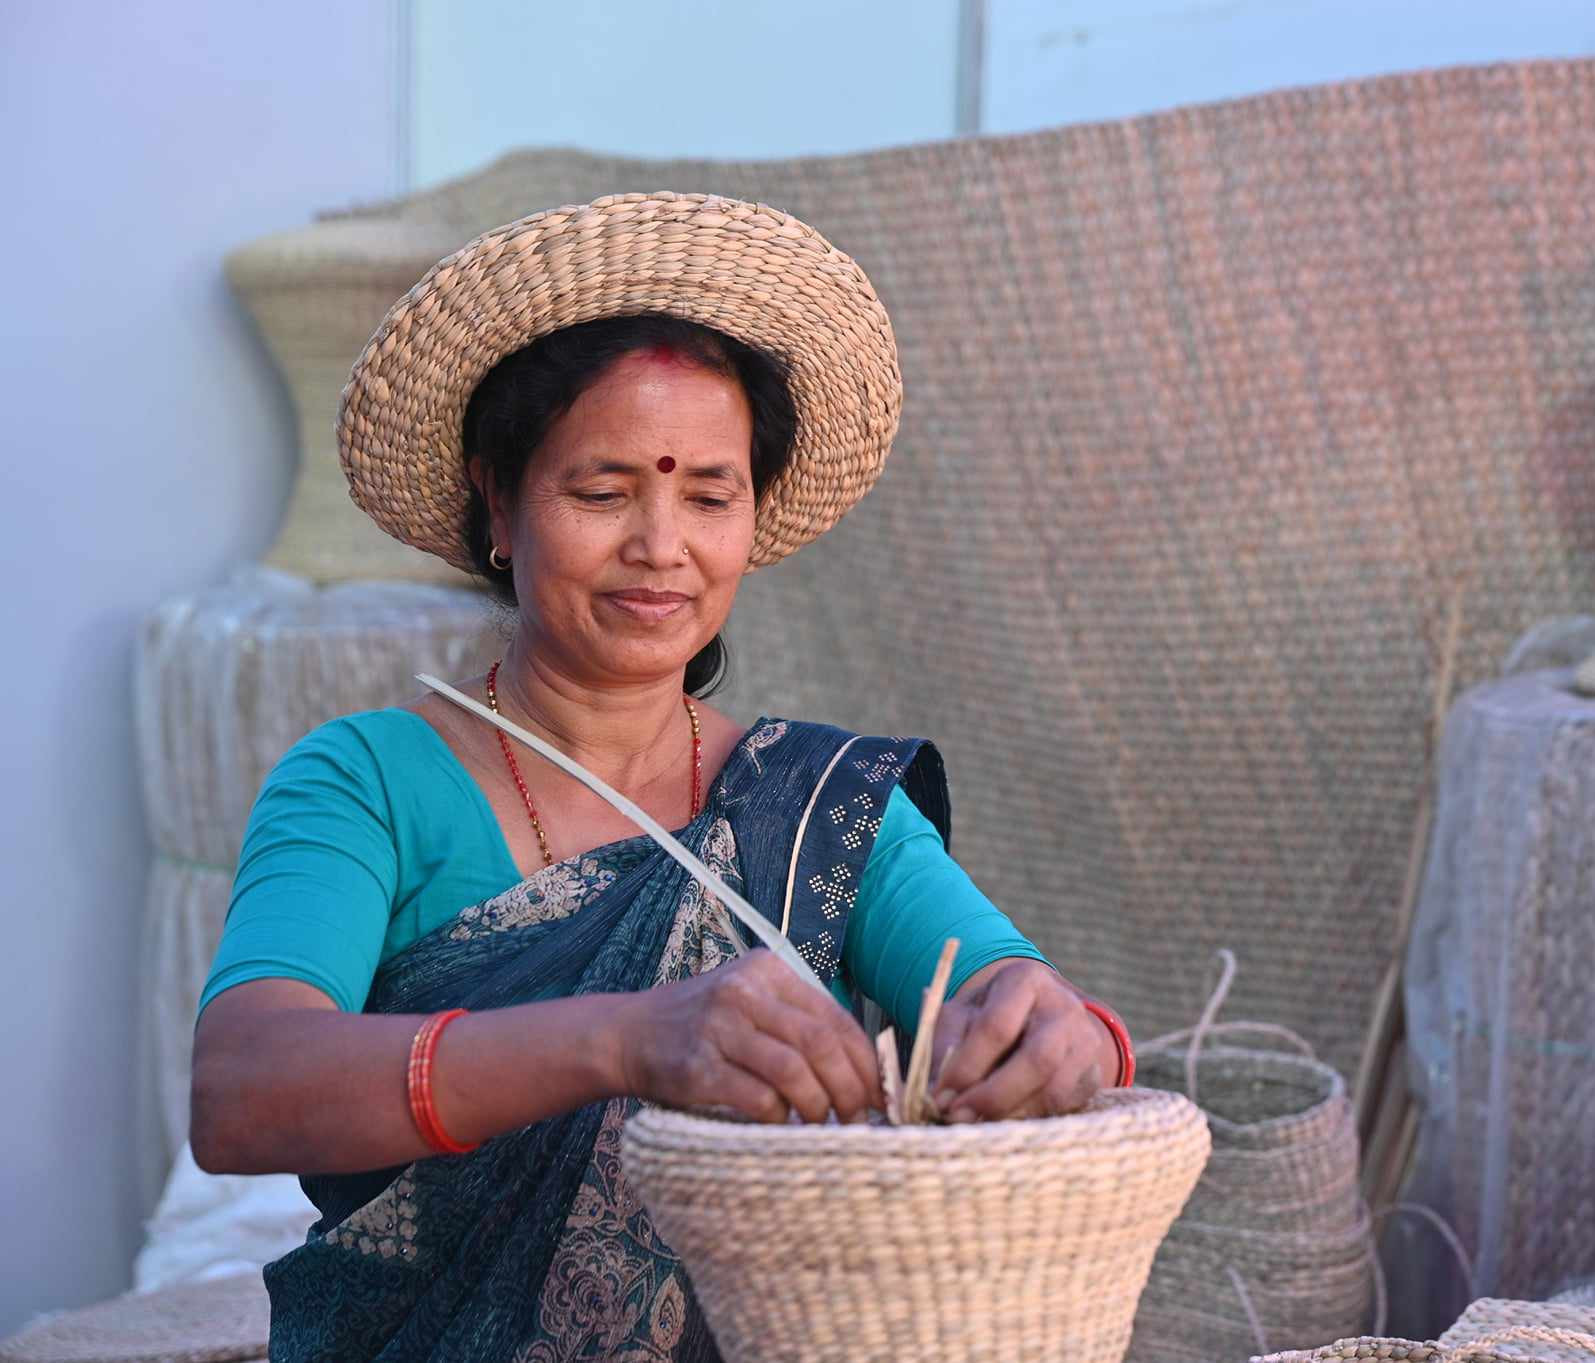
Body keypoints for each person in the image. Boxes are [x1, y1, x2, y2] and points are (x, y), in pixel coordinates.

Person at [189, 192, 1136, 1363]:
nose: (660, 545)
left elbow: (1033, 1005)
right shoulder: (366, 782)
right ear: (497, 498)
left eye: (707, 495)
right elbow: (241, 1089)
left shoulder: (823, 808)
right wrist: (628, 1039)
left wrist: (1061, 1039)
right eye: (600, 491)